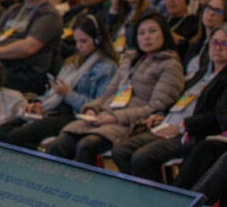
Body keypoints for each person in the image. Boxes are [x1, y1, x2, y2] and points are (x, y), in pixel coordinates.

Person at [48, 14, 185, 165]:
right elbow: (108, 93)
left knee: (86, 146)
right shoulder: (130, 60)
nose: (146, 37)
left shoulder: (170, 65)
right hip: (104, 116)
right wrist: (93, 108)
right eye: (141, 33)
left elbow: (156, 107)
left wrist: (116, 118)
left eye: (152, 31)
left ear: (164, 34)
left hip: (131, 123)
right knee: (59, 144)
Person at [112, 23, 227, 183]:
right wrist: (161, 115)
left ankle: (160, 199)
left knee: (142, 157)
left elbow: (217, 117)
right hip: (168, 124)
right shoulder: (200, 74)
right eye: (214, 42)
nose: (218, 47)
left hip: (192, 134)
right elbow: (179, 101)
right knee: (120, 150)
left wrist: (182, 126)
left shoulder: (226, 79)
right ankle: (143, 197)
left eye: (225, 43)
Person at [0, 15, 118, 150]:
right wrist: (37, 103)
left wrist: (68, 94)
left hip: (74, 115)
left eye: (84, 41)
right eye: (76, 42)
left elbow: (98, 106)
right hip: (53, 108)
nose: (79, 46)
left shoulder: (107, 68)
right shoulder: (74, 61)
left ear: (98, 40)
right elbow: (51, 93)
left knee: (17, 136)